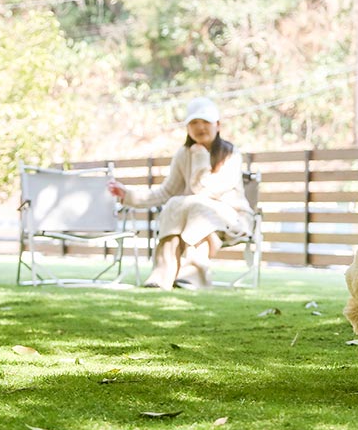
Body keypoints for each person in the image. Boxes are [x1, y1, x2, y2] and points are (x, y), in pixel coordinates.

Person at [108, 97, 253, 289]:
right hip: (193, 218)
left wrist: (200, 155)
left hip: (232, 219)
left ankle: (193, 274)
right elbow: (166, 192)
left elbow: (207, 190)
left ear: (217, 125)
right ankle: (163, 275)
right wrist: (128, 195)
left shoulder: (231, 154)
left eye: (205, 122)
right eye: (194, 122)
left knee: (195, 205)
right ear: (187, 128)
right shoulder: (183, 154)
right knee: (176, 203)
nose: (200, 127)